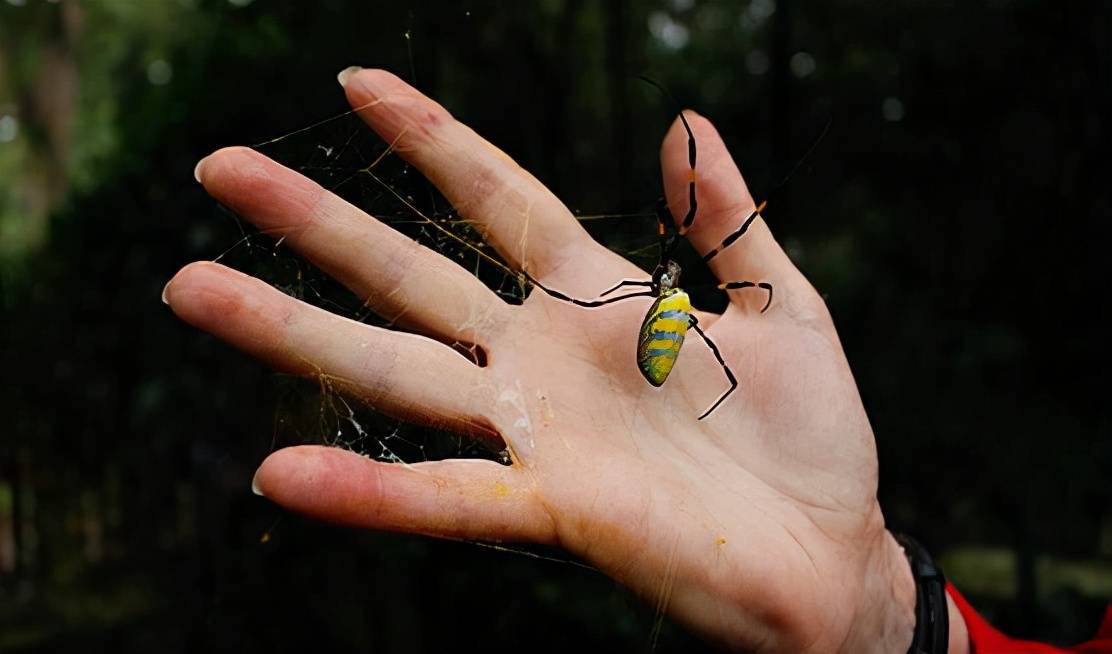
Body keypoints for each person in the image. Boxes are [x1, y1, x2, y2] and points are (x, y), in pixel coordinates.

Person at [163, 67, 1112, 652]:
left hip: (668, 337)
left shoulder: (663, 308)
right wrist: (878, 621)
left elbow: (646, 307)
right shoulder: (667, 309)